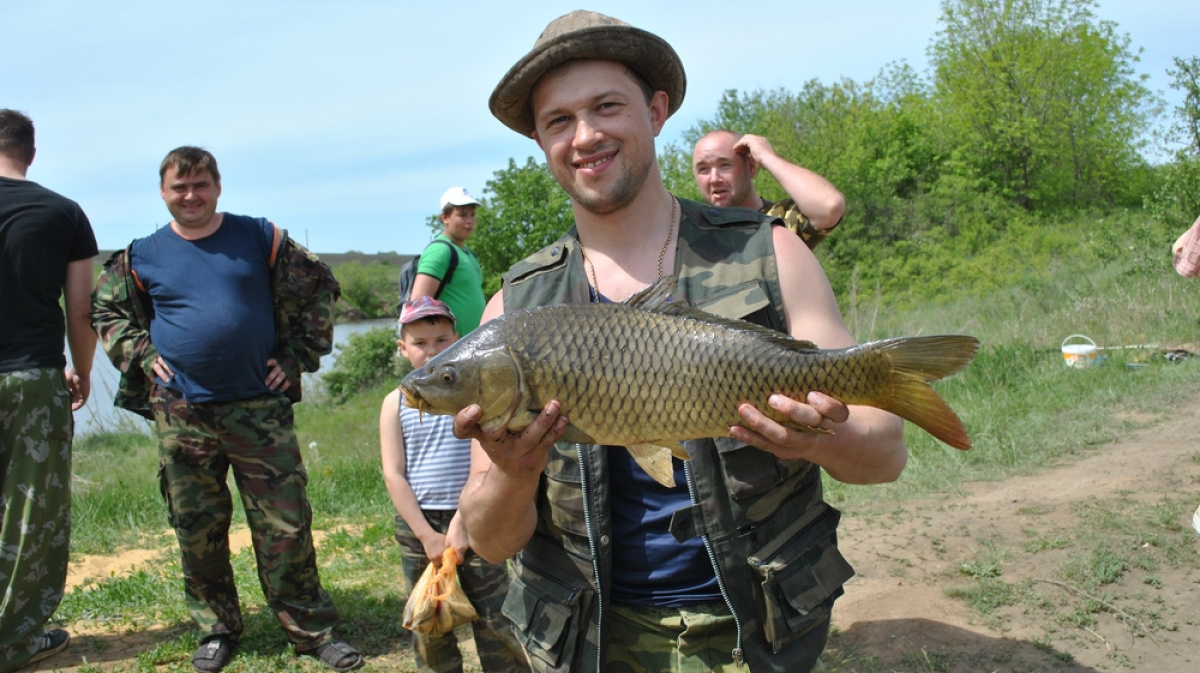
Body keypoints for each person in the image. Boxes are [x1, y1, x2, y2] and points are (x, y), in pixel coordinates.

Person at [455, 10, 908, 673]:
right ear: (540, 138)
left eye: (606, 106)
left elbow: (886, 454)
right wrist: (515, 469)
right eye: (558, 120)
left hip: (759, 628)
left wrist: (822, 435)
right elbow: (492, 542)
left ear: (657, 109)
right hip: (590, 638)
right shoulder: (514, 309)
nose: (585, 135)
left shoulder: (771, 254)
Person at [91, 146, 363, 673]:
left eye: (200, 185)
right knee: (198, 527)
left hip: (258, 410)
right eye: (179, 187)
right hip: (183, 413)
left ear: (217, 187)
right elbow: (105, 309)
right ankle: (216, 629)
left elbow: (320, 288)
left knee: (285, 525)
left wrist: (297, 356)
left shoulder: (260, 238)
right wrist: (143, 356)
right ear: (163, 192)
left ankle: (311, 630)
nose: (190, 196)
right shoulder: (141, 254)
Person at [380, 296, 530, 673]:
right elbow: (393, 474)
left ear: (460, 342)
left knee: (496, 618)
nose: (430, 350)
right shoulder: (393, 404)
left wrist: (462, 522)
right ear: (403, 348)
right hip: (420, 527)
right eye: (419, 343)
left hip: (475, 514)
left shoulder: (476, 396)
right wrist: (426, 535)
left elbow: (482, 467)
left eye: (442, 341)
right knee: (429, 623)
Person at [0, 109, 97, 671]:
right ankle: (12, 641)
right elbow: (79, 310)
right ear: (31, 153)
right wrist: (80, 371)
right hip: (32, 376)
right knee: (29, 510)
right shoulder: (62, 212)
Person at [693, 129, 845, 249]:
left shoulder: (781, 220)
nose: (714, 178)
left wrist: (767, 157)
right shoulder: (691, 232)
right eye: (703, 169)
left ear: (751, 167)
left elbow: (829, 205)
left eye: (725, 165)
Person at [409, 186, 487, 334]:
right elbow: (418, 305)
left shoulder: (468, 253)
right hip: (450, 350)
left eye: (472, 214)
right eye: (462, 215)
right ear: (445, 217)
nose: (469, 221)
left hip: (471, 346)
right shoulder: (440, 250)